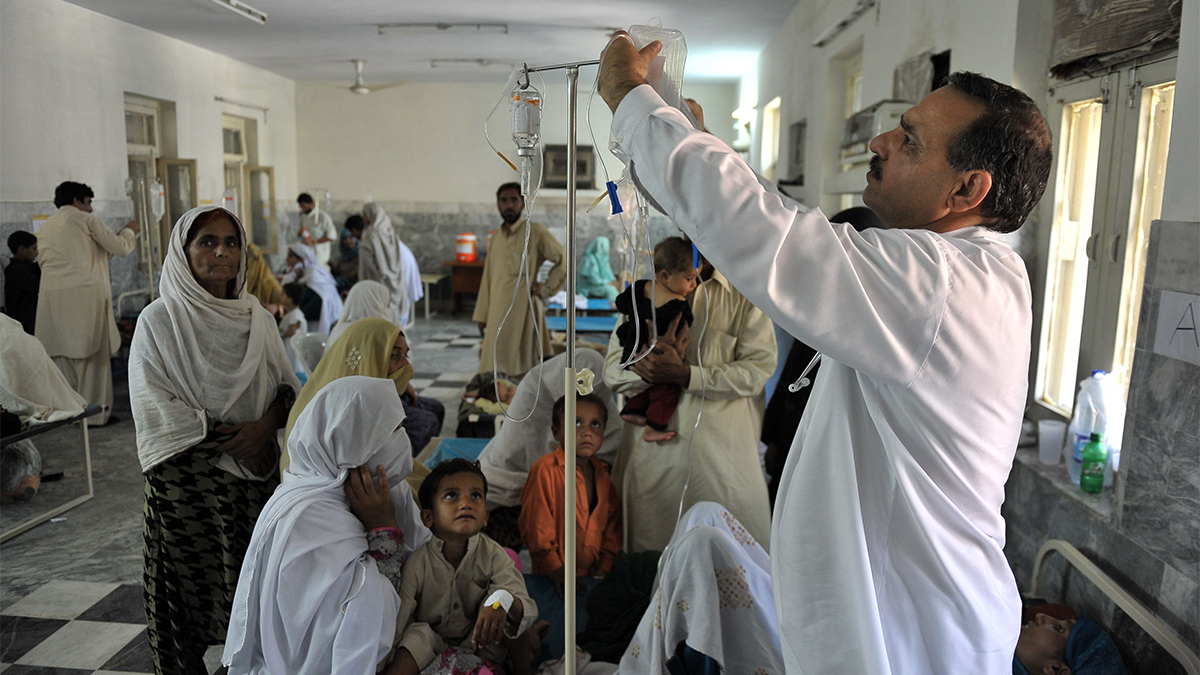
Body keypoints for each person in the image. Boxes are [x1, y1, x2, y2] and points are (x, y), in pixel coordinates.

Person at [599, 34, 1052, 673]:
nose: (879, 143)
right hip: (899, 618)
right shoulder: (957, 274)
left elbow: (766, 237)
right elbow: (774, 226)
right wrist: (688, 140)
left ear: (967, 190)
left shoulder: (940, 283)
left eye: (910, 140)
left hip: (910, 639)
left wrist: (630, 99)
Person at [129, 205, 300, 675]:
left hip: (253, 479)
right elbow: (153, 405)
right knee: (183, 593)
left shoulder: (259, 319)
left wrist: (264, 427)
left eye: (231, 242)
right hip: (185, 485)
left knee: (254, 594)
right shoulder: (159, 322)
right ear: (183, 252)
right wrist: (225, 437)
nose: (221, 252)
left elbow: (286, 388)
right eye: (207, 241)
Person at [222, 377, 427, 675]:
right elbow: (347, 632)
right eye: (389, 434)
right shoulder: (307, 516)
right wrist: (384, 530)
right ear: (350, 441)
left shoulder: (383, 490)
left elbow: (428, 556)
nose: (401, 444)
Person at [603, 252, 776, 553]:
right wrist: (649, 372)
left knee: (737, 566)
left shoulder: (746, 292)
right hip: (652, 466)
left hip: (722, 468)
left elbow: (757, 371)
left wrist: (688, 376)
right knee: (650, 571)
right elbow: (611, 372)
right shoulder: (647, 293)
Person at [760, 206, 884, 504]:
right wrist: (775, 437)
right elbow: (794, 371)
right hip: (794, 435)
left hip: (840, 460)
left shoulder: (877, 326)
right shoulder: (822, 304)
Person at [387, 458, 543, 675]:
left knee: (503, 604)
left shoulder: (495, 555)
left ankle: (524, 672)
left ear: (486, 516)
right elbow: (399, 620)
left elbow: (523, 604)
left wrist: (500, 600)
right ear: (428, 517)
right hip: (434, 646)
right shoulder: (417, 563)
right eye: (451, 495)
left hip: (483, 643)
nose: (466, 503)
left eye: (476, 495)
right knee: (415, 636)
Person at [35, 181, 140, 426]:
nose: (91, 209)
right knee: (94, 363)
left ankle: (70, 414)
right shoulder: (86, 221)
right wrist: (129, 231)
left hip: (53, 303)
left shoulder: (47, 227)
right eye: (89, 202)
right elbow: (120, 248)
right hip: (86, 303)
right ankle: (95, 416)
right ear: (77, 201)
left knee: (64, 363)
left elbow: (95, 253)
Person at [282, 318, 444, 475]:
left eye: (406, 356)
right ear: (369, 360)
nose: (406, 365)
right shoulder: (341, 413)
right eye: (394, 356)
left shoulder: (366, 399)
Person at [519, 393, 622, 597]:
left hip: (592, 580)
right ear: (556, 432)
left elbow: (613, 529)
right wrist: (555, 569)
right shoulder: (546, 470)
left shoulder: (603, 475)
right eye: (576, 423)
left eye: (595, 424)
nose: (587, 433)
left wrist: (603, 570)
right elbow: (537, 526)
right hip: (552, 579)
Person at [474, 183, 566, 378]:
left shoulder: (535, 232)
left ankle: (522, 403)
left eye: (514, 200)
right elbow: (488, 279)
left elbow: (562, 259)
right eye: (504, 200)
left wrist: (545, 288)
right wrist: (482, 315)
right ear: (498, 205)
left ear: (523, 204)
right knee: (493, 364)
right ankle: (497, 401)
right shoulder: (496, 237)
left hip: (524, 311)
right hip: (497, 311)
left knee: (525, 368)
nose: (509, 205)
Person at [614, 236, 697, 442]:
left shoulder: (640, 288)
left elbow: (621, 303)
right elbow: (684, 332)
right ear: (666, 275)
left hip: (630, 353)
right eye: (689, 279)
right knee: (667, 391)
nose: (694, 285)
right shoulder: (679, 304)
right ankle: (653, 426)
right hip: (659, 357)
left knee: (649, 387)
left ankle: (632, 408)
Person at [360, 202, 423, 327]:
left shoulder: (372, 234)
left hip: (380, 277)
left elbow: (369, 261)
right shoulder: (388, 229)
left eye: (364, 214)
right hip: (394, 275)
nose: (363, 218)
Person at [282, 242, 343, 334]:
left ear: (301, 259)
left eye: (290, 256)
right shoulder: (302, 273)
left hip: (319, 316)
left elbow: (317, 295)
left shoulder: (313, 273)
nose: (287, 259)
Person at [328, 279, 396, 345]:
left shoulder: (338, 330)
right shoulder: (378, 335)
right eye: (385, 306)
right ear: (375, 305)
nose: (388, 311)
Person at [4, 230, 41, 334]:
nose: (37, 252)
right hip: (23, 325)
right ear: (22, 249)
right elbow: (38, 285)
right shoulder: (15, 270)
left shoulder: (26, 268)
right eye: (34, 248)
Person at [296, 192, 338, 269]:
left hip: (320, 255)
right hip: (307, 253)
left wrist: (313, 242)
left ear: (311, 204)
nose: (303, 209)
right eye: (301, 207)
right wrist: (300, 234)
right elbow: (302, 232)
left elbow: (332, 237)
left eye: (304, 206)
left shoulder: (323, 216)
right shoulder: (303, 217)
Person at [577, 235, 619, 301]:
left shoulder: (603, 261)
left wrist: (613, 281)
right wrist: (608, 283)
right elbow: (594, 279)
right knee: (611, 290)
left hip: (599, 285)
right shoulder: (589, 260)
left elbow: (608, 273)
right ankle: (614, 309)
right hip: (587, 287)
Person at [243, 241, 283, 308]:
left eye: (252, 259)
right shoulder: (239, 281)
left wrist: (277, 309)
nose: (249, 264)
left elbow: (285, 307)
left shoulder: (269, 284)